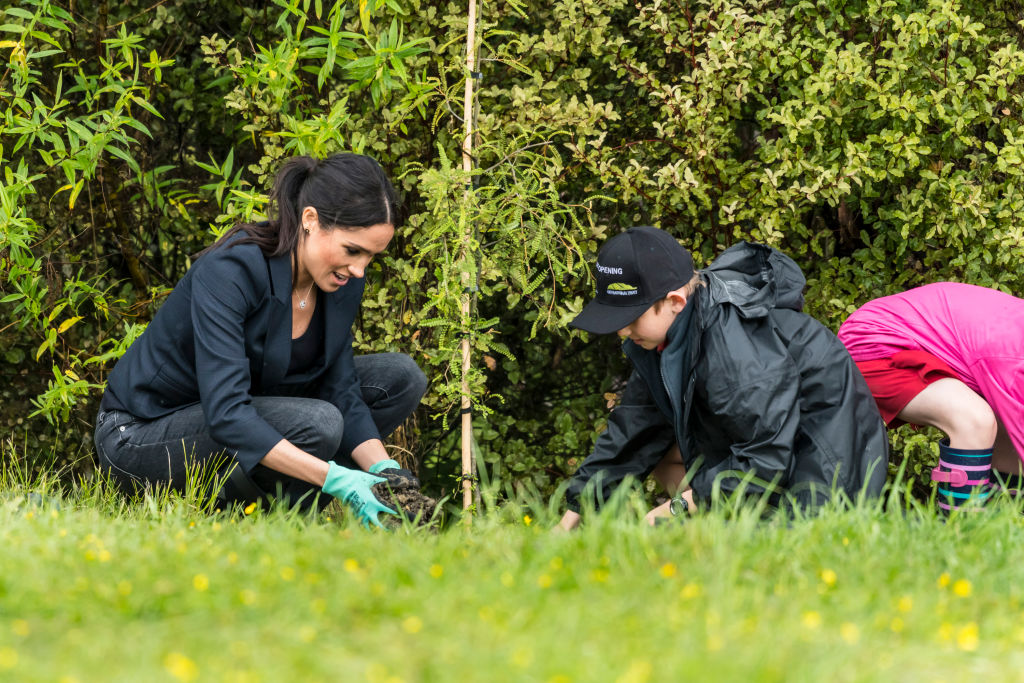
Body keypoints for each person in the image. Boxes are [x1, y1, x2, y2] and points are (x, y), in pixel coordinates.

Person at [93, 153, 428, 527]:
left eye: (371, 256)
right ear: (310, 220)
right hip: (144, 435)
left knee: (400, 378)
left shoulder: (339, 281)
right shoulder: (232, 269)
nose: (360, 269)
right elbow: (227, 413)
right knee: (320, 423)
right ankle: (248, 510)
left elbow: (342, 389)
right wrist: (336, 480)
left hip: (240, 418)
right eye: (353, 250)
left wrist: (386, 471)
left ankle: (276, 517)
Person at [557, 226, 889, 530]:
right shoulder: (659, 338)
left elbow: (766, 457)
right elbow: (633, 432)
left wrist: (678, 508)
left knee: (795, 552)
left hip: (825, 441)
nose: (622, 329)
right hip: (771, 444)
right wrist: (570, 518)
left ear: (675, 301)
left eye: (631, 317)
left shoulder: (730, 347)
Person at [838, 282, 1024, 511]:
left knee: (1008, 440)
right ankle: (965, 537)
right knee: (974, 421)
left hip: (925, 342)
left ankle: (1003, 533)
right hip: (874, 340)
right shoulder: (1015, 361)